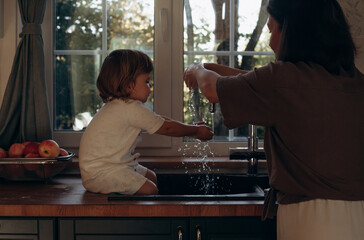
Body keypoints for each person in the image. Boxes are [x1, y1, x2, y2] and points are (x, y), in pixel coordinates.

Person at [183, 0, 364, 239]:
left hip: (311, 220)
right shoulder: (353, 80)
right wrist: (211, 67)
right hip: (357, 214)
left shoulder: (282, 80)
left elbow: (212, 90)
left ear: (291, 30)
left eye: (271, 30)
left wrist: (196, 69)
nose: (270, 42)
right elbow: (255, 84)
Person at [79, 49, 213, 196]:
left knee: (151, 177)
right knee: (150, 189)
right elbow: (167, 128)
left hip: (111, 167)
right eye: (147, 81)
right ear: (130, 85)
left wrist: (191, 127)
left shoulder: (120, 105)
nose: (150, 87)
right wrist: (195, 131)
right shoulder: (129, 108)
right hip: (101, 173)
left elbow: (160, 120)